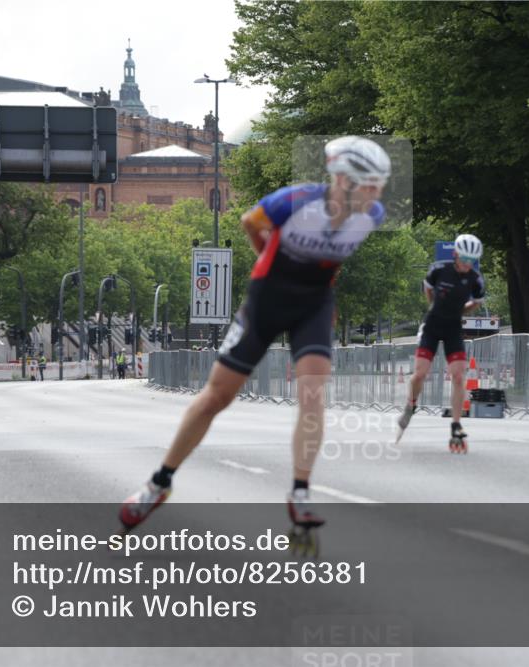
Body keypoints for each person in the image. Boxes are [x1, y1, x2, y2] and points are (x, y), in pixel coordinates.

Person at [119, 136, 392, 538]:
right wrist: (270, 259)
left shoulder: (374, 215)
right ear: (342, 180)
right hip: (267, 300)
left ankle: (300, 492)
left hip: (312, 305)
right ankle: (159, 482)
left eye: (380, 185)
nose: (377, 194)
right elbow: (251, 221)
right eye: (370, 184)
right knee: (217, 396)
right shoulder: (296, 201)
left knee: (314, 393)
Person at [396, 234, 486, 452]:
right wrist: (434, 306)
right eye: (464, 258)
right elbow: (427, 288)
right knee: (420, 374)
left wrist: (459, 312)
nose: (467, 264)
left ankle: (456, 424)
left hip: (453, 327)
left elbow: (476, 301)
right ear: (456, 255)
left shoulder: (476, 279)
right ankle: (411, 403)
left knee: (458, 375)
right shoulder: (438, 269)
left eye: (472, 260)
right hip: (433, 325)